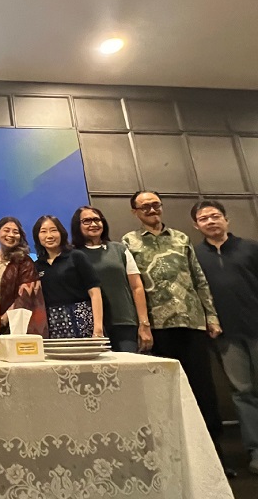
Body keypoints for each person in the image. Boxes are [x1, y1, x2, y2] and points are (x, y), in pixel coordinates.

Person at [122, 190, 232, 476]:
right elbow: (131, 287)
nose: (151, 209)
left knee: (204, 392)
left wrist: (211, 316)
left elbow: (199, 279)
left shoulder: (182, 238)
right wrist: (141, 325)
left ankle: (215, 461)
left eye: (155, 204)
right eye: (144, 206)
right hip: (157, 328)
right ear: (135, 212)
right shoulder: (128, 242)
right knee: (164, 396)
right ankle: (173, 461)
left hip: (191, 323)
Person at [191, 199, 258, 474]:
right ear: (196, 226)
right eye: (203, 218)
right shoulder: (195, 255)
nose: (210, 221)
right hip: (225, 334)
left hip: (256, 327)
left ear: (226, 219)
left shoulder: (250, 248)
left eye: (215, 216)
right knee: (243, 392)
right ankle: (255, 450)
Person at [70, 206, 153, 353]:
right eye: (87, 221)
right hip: (88, 326)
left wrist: (144, 323)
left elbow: (137, 287)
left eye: (97, 220)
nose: (93, 224)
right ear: (77, 225)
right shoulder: (72, 254)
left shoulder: (119, 249)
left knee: (129, 365)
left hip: (124, 321)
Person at [33, 215, 103, 338]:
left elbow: (95, 292)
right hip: (52, 324)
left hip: (82, 319)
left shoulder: (76, 256)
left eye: (53, 230)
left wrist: (98, 329)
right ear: (37, 237)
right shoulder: (37, 265)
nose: (49, 236)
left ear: (61, 233)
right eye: (43, 231)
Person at [0, 217, 47, 336]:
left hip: (14, 326)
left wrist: (3, 320)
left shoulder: (25, 262)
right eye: (6, 230)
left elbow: (25, 296)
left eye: (15, 232)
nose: (11, 235)